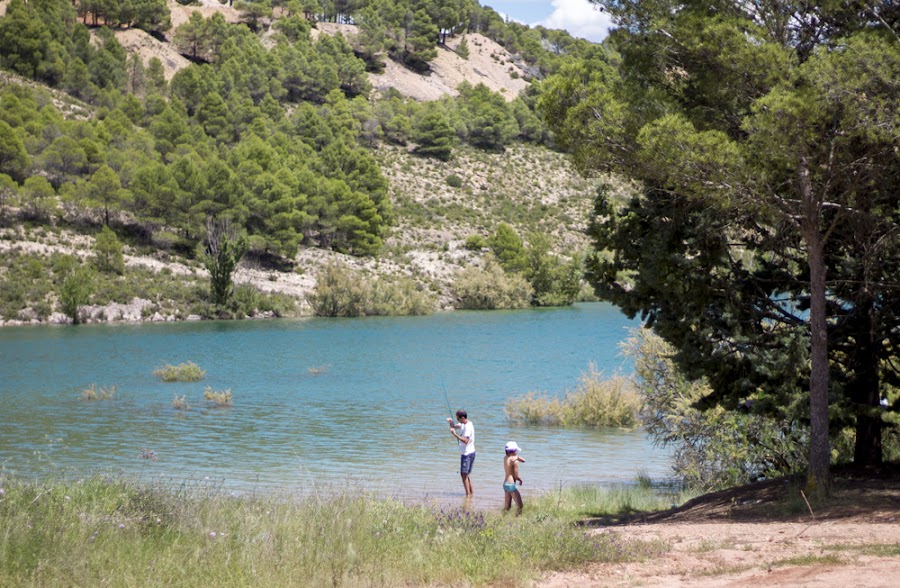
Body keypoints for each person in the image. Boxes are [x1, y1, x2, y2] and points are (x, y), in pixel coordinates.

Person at [447, 409, 475, 496]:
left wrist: (455, 434)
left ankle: (467, 495)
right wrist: (451, 423)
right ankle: (471, 494)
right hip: (471, 452)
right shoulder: (465, 423)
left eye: (458, 418)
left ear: (462, 418)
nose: (457, 420)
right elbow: (455, 426)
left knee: (463, 475)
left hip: (467, 454)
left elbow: (466, 441)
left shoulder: (468, 427)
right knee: (466, 475)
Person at [503, 441, 525, 515]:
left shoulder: (505, 458)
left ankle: (502, 518)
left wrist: (517, 457)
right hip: (511, 484)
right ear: (515, 451)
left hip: (505, 484)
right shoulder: (515, 462)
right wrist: (520, 480)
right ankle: (517, 519)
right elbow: (516, 476)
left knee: (507, 507)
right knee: (520, 505)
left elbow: (522, 460)